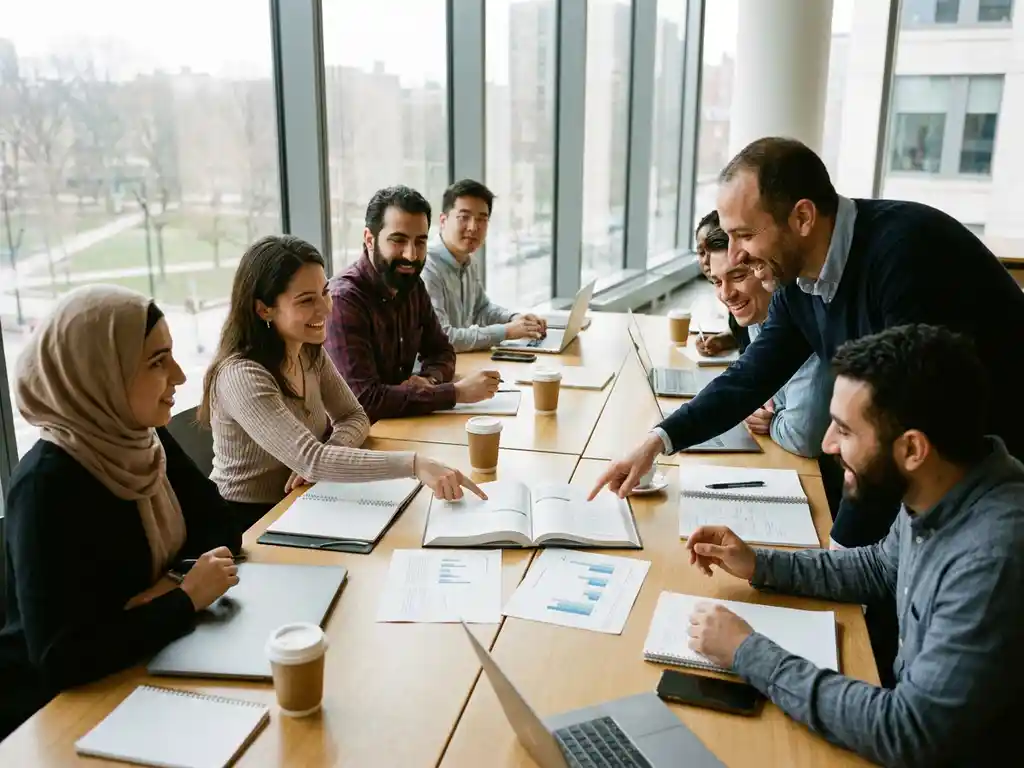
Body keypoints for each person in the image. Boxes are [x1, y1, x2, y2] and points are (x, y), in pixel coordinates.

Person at [591, 136, 1024, 550]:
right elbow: (750, 376)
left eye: (745, 235)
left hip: (991, 491)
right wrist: (658, 441)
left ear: (802, 218)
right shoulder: (797, 277)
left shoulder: (908, 255)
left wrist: (839, 554)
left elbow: (894, 425)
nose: (737, 255)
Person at [684, 324, 1024, 767]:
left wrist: (748, 652)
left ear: (912, 449)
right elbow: (881, 568)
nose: (826, 443)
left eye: (843, 430)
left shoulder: (992, 559)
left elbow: (907, 731)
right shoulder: (945, 482)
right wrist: (758, 564)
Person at [0, 286, 242, 741]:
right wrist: (185, 596)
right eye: (157, 361)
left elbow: (224, 528)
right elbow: (61, 657)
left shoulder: (145, 439)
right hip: (55, 713)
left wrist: (163, 590)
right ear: (100, 374)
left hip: (148, 661)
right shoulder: (45, 484)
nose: (180, 376)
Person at [200, 234, 485, 534]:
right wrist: (415, 464)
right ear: (263, 309)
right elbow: (312, 459)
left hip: (304, 500)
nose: (325, 309)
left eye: (324, 292)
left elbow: (355, 417)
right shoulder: (242, 375)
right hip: (250, 524)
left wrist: (328, 455)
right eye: (306, 300)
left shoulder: (308, 350)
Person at [326, 185, 500, 422]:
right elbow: (364, 400)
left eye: (420, 242)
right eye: (398, 240)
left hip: (403, 424)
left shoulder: (411, 284)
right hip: (358, 438)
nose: (411, 255)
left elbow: (442, 351)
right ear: (369, 239)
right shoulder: (344, 300)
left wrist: (430, 381)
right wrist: (455, 392)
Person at [695, 214, 832, 459]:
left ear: (763, 269)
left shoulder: (802, 327)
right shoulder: (756, 319)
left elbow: (802, 436)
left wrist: (772, 423)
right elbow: (763, 397)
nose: (726, 294)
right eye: (717, 282)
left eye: (737, 277)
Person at [421, 178, 547, 352]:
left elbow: (482, 310)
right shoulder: (427, 267)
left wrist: (516, 319)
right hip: (428, 374)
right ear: (443, 220)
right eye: (464, 217)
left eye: (482, 219)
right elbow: (443, 337)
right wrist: (506, 332)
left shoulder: (468, 261)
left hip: (459, 364)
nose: (473, 227)